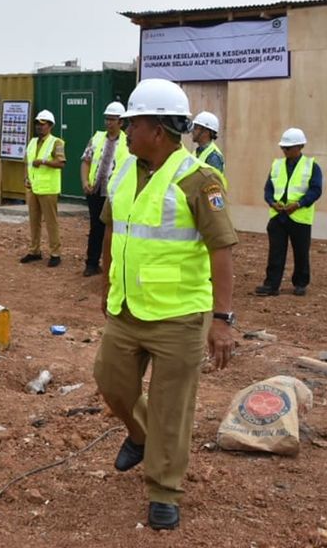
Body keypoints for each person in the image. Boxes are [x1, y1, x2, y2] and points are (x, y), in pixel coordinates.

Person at [92, 78, 237, 532]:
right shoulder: (123, 172)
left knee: (173, 407)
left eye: (133, 124)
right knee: (110, 381)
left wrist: (222, 319)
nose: (126, 131)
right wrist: (106, 281)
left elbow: (222, 249)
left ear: (157, 129)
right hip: (127, 308)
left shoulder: (198, 179)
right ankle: (140, 435)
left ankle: (164, 491)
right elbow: (113, 229)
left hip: (179, 315)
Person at [255, 127, 323, 297]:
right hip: (279, 216)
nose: (284, 150)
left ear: (300, 146)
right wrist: (272, 202)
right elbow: (268, 189)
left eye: (288, 147)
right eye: (283, 148)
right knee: (275, 252)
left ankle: (300, 283)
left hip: (299, 217)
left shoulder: (311, 166)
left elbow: (315, 190)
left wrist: (299, 204)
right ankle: (272, 285)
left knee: (301, 252)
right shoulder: (277, 165)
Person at [80, 101, 129, 277]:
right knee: (96, 228)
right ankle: (92, 263)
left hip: (115, 195)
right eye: (107, 119)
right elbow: (86, 161)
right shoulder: (97, 138)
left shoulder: (127, 142)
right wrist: (85, 181)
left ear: (121, 122)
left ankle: (113, 266)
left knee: (115, 230)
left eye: (112, 119)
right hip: (95, 191)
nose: (108, 123)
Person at [20, 109, 65, 267]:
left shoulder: (56, 142)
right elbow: (27, 162)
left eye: (42, 124)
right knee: (34, 221)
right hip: (32, 188)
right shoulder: (32, 142)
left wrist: (44, 162)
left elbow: (61, 163)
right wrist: (26, 178)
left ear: (50, 126)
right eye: (37, 124)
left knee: (51, 222)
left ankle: (55, 253)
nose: (39, 127)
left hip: (48, 189)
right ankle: (34, 251)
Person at [191, 111, 225, 181]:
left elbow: (213, 184)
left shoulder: (213, 157)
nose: (193, 131)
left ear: (206, 132)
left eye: (196, 128)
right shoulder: (196, 153)